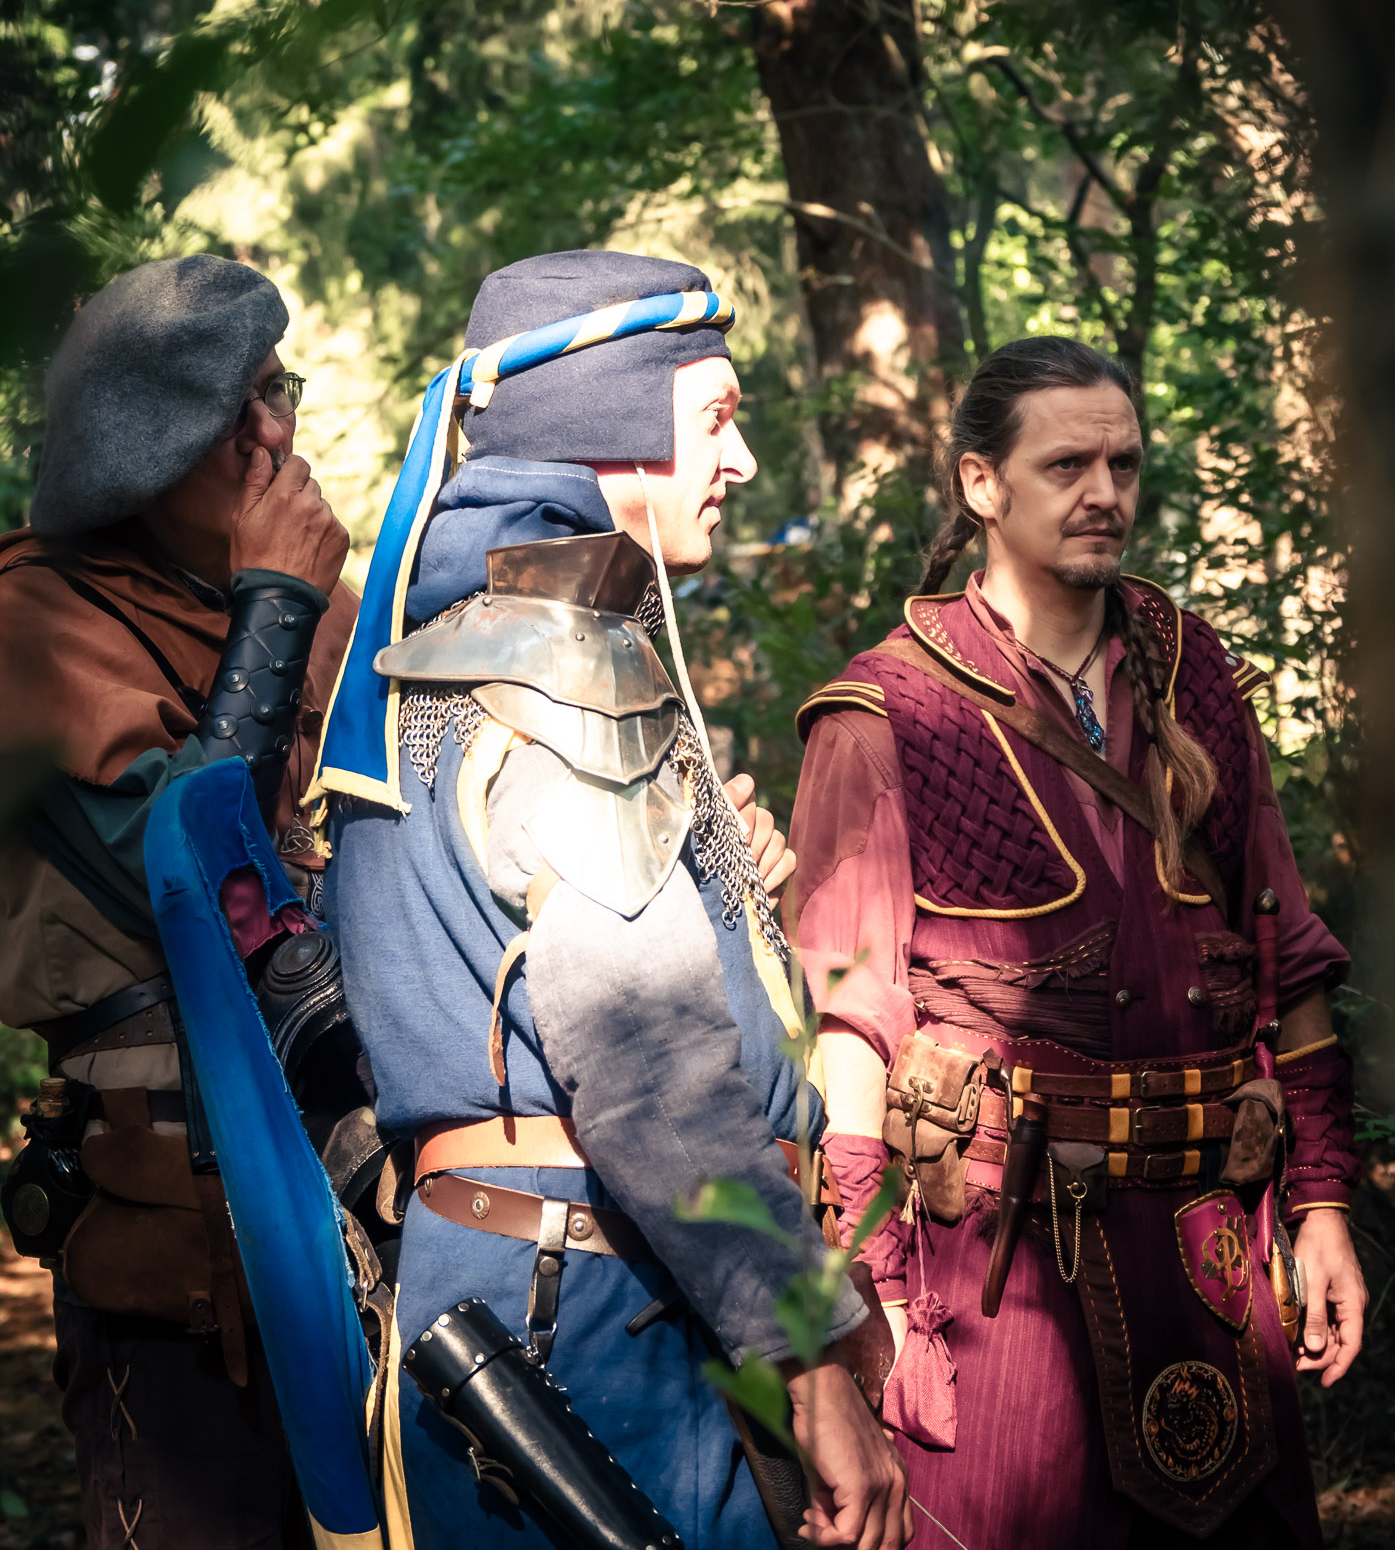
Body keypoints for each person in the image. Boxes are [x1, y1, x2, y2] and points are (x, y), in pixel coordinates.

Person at [321, 249, 910, 1550]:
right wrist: (810, 1364)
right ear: (615, 422)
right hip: (591, 1323)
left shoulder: (453, 642)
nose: (740, 460)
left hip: (538, 1285)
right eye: (717, 417)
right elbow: (649, 1075)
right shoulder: (565, 671)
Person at [792, 336, 1366, 1550]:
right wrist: (868, 1290)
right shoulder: (889, 712)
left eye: (1125, 464)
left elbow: (1289, 957)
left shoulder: (1195, 675)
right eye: (1067, 466)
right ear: (981, 483)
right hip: (998, 1278)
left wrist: (1321, 1204)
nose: (1105, 492)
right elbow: (849, 1032)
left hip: (1212, 1257)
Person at [0, 254, 356, 1550]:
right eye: (229, 415)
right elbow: (206, 887)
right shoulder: (33, 625)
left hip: (365, 1226)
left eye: (278, 391)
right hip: (179, 1278)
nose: (276, 438)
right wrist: (277, 605)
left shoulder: (322, 613)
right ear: (136, 449)